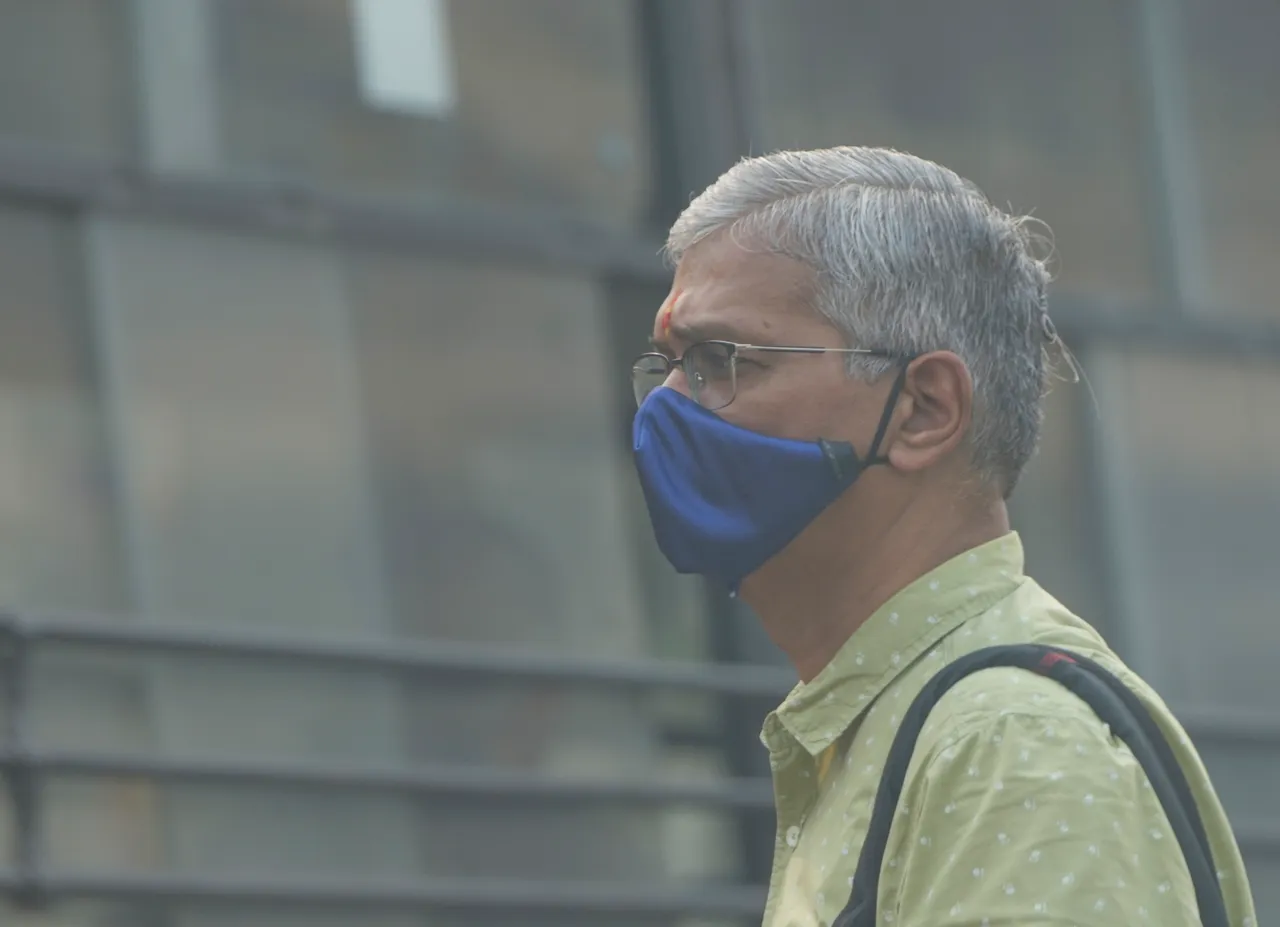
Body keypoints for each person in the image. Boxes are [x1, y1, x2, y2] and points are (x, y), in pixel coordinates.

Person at [629, 147, 1257, 926]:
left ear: (923, 409)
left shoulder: (1010, 745)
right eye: (667, 365)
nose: (667, 406)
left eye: (721, 360)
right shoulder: (901, 730)